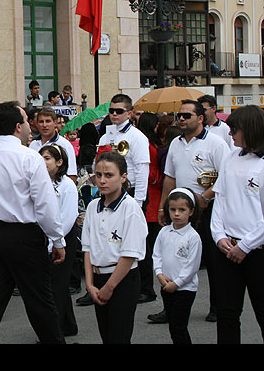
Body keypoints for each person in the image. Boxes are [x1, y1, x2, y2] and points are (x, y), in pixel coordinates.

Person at [0, 101, 67, 344]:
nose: (30, 125)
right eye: (27, 121)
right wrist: (57, 239)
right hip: (23, 236)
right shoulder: (30, 158)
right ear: (18, 127)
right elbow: (45, 204)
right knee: (39, 299)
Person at [159, 99, 228, 323]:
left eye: (186, 115)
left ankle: (217, 305)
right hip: (180, 209)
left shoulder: (216, 143)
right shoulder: (176, 144)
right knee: (173, 257)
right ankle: (170, 305)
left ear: (200, 118)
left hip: (207, 208)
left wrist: (204, 198)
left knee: (212, 258)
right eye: (179, 115)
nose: (181, 118)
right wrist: (163, 206)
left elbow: (226, 176)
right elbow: (169, 177)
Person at [210, 105, 264, 344]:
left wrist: (245, 245)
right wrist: (219, 236)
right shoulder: (231, 157)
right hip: (227, 248)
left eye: (235, 129)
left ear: (251, 130)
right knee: (226, 314)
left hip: (258, 251)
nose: (230, 133)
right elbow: (220, 198)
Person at [81, 151, 148, 344]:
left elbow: (129, 254)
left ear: (123, 177)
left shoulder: (130, 208)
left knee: (119, 337)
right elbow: (88, 248)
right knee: (107, 336)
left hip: (121, 280)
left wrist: (109, 287)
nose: (102, 180)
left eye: (109, 175)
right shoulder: (93, 207)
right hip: (98, 279)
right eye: (99, 175)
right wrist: (90, 285)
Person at [152, 187, 202, 344]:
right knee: (173, 326)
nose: (177, 214)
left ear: (191, 212)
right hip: (166, 286)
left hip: (184, 289)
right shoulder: (164, 232)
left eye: (182, 209)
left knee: (178, 326)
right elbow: (157, 254)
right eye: (173, 209)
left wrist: (177, 283)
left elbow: (191, 266)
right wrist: (159, 274)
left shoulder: (193, 237)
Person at [39, 144, 79, 336]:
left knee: (56, 286)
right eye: (41, 157)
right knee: (57, 285)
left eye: (47, 158)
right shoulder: (40, 183)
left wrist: (54, 241)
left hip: (62, 240)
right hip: (46, 239)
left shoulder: (67, 186)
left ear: (59, 162)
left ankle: (54, 331)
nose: (43, 162)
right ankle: (68, 325)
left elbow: (67, 218)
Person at [98, 94, 150, 208]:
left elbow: (142, 169)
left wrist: (138, 201)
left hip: (129, 191)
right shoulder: (104, 137)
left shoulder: (137, 137)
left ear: (129, 113)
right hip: (107, 191)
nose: (114, 114)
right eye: (111, 111)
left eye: (119, 111)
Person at [136, 112, 164, 304]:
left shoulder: (147, 142)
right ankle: (145, 287)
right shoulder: (146, 142)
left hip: (153, 195)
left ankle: (146, 287)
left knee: (146, 247)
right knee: (145, 247)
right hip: (151, 196)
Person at [29, 108, 77, 182]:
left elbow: (72, 175)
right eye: (41, 122)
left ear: (55, 123)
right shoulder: (33, 145)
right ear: (37, 124)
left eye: (48, 121)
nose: (44, 125)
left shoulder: (65, 145)